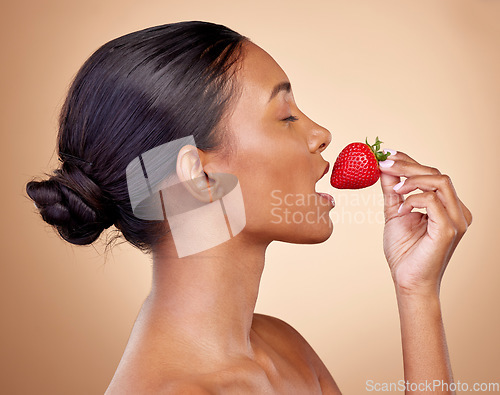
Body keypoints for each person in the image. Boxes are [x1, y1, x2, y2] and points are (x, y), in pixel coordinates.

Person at [26, 21, 472, 394]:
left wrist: (417, 292)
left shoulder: (284, 349)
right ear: (198, 178)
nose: (322, 134)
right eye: (285, 117)